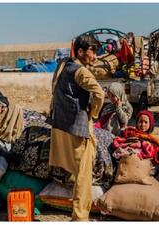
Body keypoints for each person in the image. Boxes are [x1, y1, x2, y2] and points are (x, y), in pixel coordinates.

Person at [48, 34, 104, 221]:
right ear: (80, 51)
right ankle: (80, 216)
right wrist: (93, 113)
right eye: (92, 51)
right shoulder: (81, 71)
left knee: (75, 169)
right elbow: (99, 93)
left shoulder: (64, 65)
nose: (94, 56)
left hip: (62, 125)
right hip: (78, 129)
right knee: (83, 175)